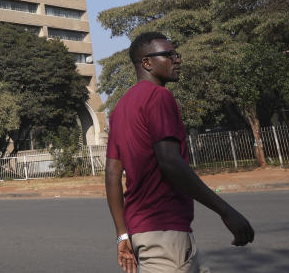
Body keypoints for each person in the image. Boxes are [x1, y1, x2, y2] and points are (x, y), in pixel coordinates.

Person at [105, 33, 254, 273]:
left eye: (177, 54)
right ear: (147, 63)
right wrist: (227, 212)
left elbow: (112, 174)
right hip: (164, 233)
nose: (177, 60)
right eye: (168, 54)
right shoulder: (159, 96)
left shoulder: (120, 108)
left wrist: (122, 235)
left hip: (142, 231)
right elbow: (170, 162)